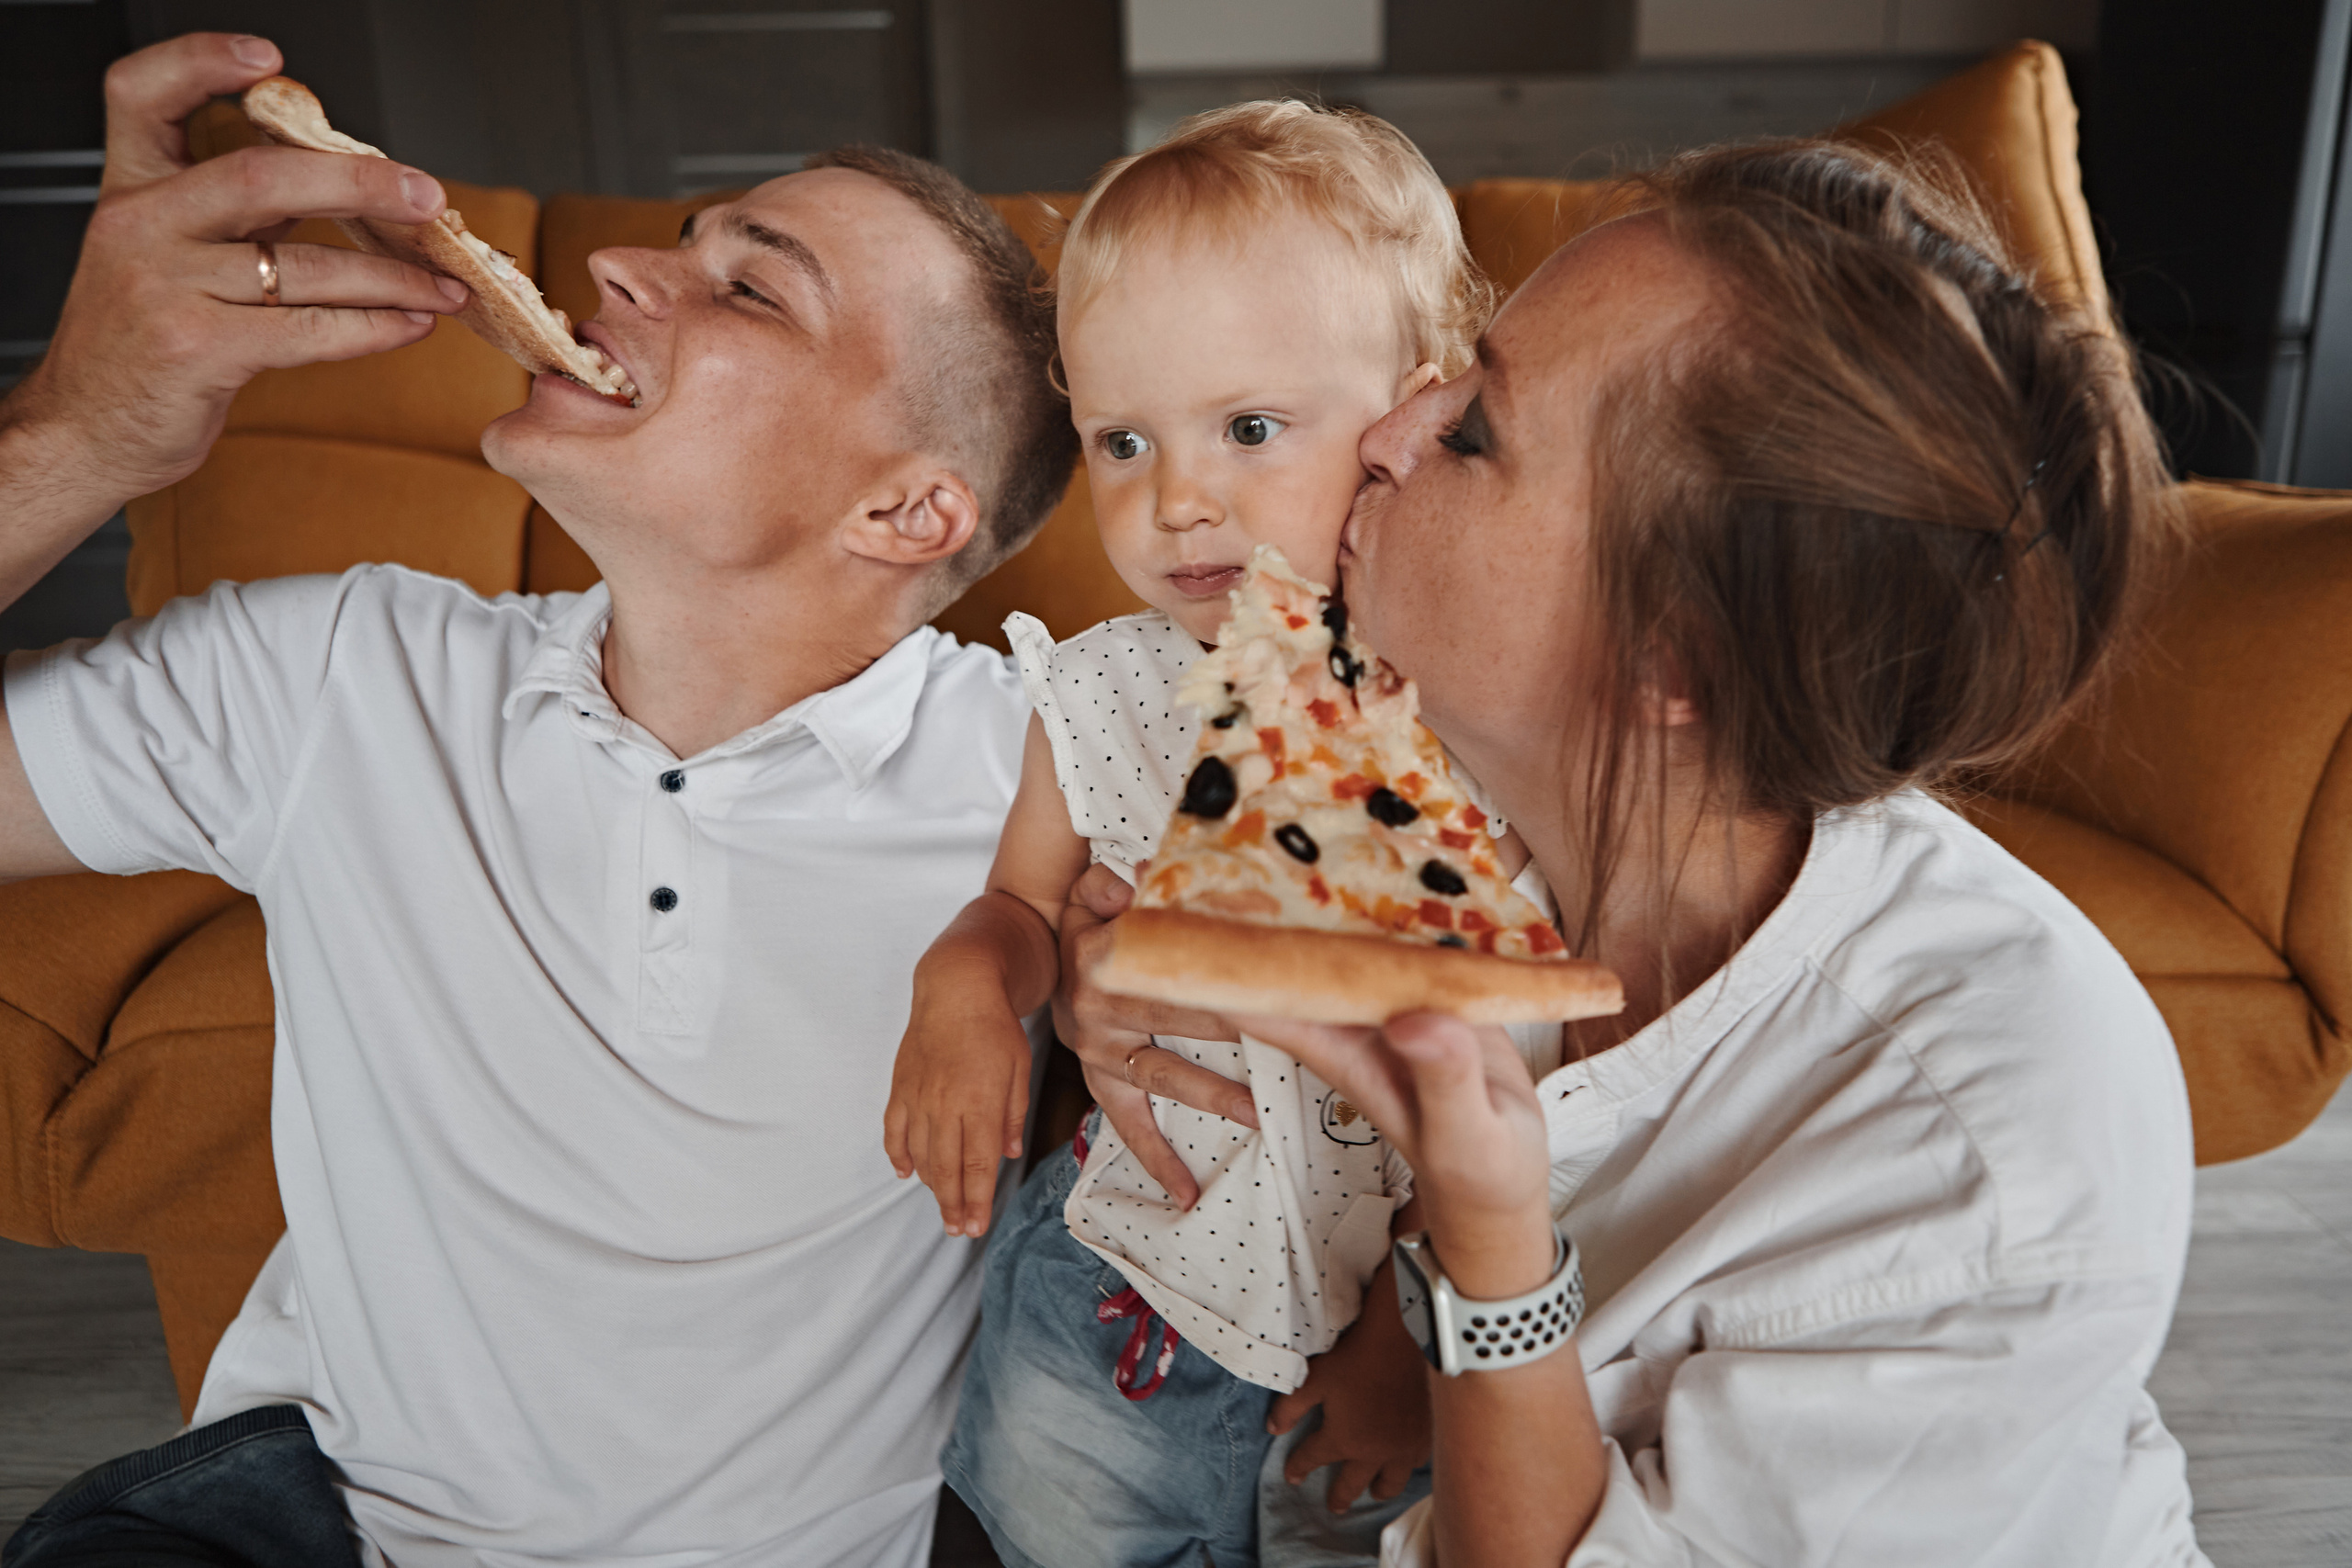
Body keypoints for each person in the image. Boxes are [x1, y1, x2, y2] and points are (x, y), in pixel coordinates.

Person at [0, 31, 1073, 1568]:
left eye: (752, 287)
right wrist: (79, 435)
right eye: (687, 241)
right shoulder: (334, 676)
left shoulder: (1064, 765)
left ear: (905, 509)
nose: (629, 264)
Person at [1059, 141, 2211, 1566]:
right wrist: (1103, 1009)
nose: (1386, 431)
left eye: (1475, 431)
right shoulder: (1431, 791)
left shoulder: (1994, 1146)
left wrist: (1492, 1240)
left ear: (1674, 659)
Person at [883, 102, 1519, 1568]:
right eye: (1122, 439)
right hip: (1131, 1282)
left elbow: (1502, 1053)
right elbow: (1024, 910)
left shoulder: (1475, 713)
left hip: (1407, 1313)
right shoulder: (1113, 688)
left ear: (1411, 418)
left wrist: (1402, 1331)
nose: (1176, 500)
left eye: (1247, 429)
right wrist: (963, 984)